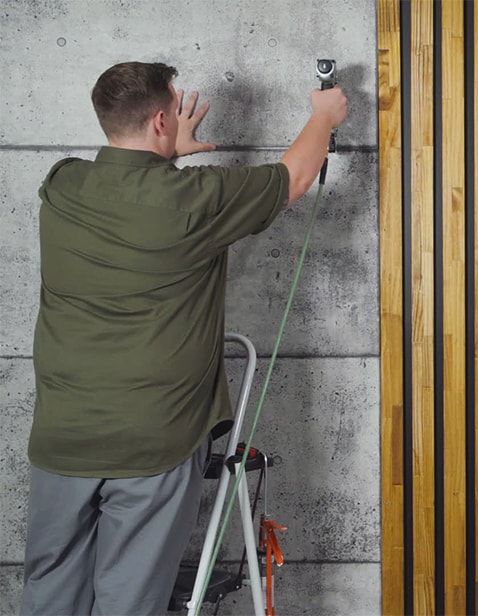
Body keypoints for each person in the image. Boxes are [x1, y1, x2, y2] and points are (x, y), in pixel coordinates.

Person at [21, 61, 347, 615]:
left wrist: (164, 153)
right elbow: (291, 178)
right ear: (159, 121)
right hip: (156, 440)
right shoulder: (197, 198)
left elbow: (133, 196)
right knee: (129, 599)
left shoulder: (63, 184)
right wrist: (324, 116)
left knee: (50, 592)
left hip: (62, 439)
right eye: (173, 110)